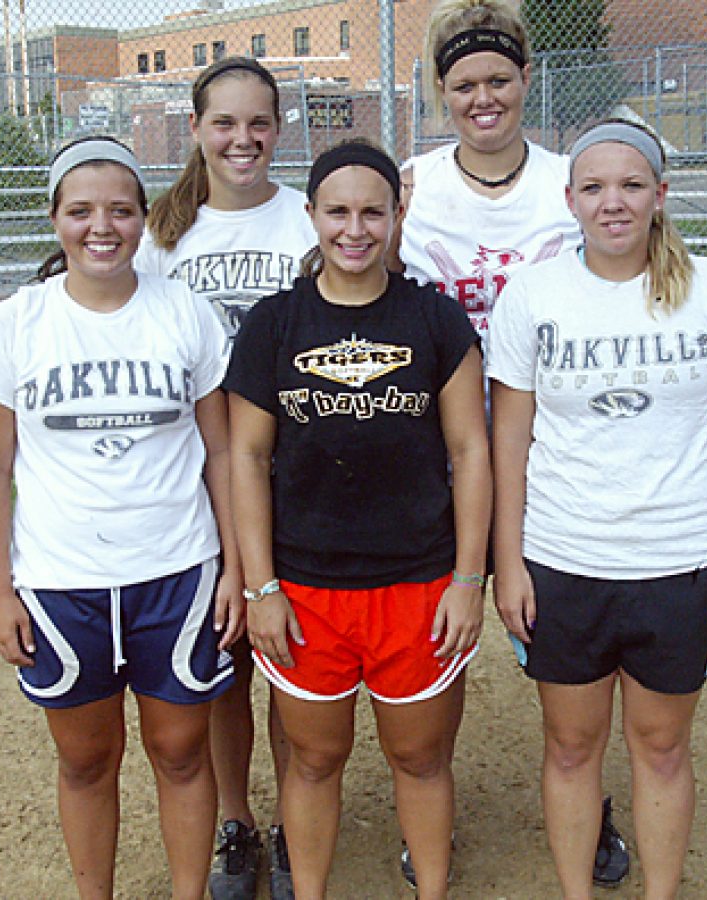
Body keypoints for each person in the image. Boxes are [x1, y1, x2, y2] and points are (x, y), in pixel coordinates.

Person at [487, 118, 707, 899]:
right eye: (595, 188)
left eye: (631, 186)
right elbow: (508, 437)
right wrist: (507, 562)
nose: (613, 203)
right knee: (573, 747)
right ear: (569, 199)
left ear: (660, 195)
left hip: (679, 561)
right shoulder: (534, 293)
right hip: (564, 559)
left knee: (662, 746)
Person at [0, 137, 244, 900]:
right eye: (80, 211)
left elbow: (221, 453)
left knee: (181, 749)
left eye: (121, 210)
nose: (102, 227)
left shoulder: (185, 313)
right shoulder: (14, 325)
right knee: (86, 758)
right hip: (62, 581)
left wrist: (236, 570)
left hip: (175, 571)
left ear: (143, 219)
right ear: (54, 219)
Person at [392, 0, 628, 887]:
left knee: (571, 637)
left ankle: (591, 801)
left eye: (498, 79)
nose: (482, 98)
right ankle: (427, 811)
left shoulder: (575, 179)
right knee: (432, 639)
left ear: (527, 80)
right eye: (463, 84)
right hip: (435, 445)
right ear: (441, 91)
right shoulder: (412, 184)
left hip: (562, 448)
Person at [225, 139, 492, 900]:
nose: (355, 228)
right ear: (309, 215)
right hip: (307, 586)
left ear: (398, 214)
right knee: (313, 760)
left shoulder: (435, 320)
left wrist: (468, 578)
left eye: (373, 210)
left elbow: (471, 451)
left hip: (418, 580)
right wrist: (260, 587)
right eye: (336, 210)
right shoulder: (274, 325)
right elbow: (246, 458)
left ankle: (431, 890)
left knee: (420, 758)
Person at [135, 56, 315, 900]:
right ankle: (238, 822)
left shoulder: (305, 221)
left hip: (301, 473)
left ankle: (292, 826)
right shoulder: (164, 234)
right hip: (201, 478)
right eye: (225, 123)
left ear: (278, 128)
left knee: (291, 658)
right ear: (197, 127)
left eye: (259, 123)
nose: (243, 140)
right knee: (222, 661)